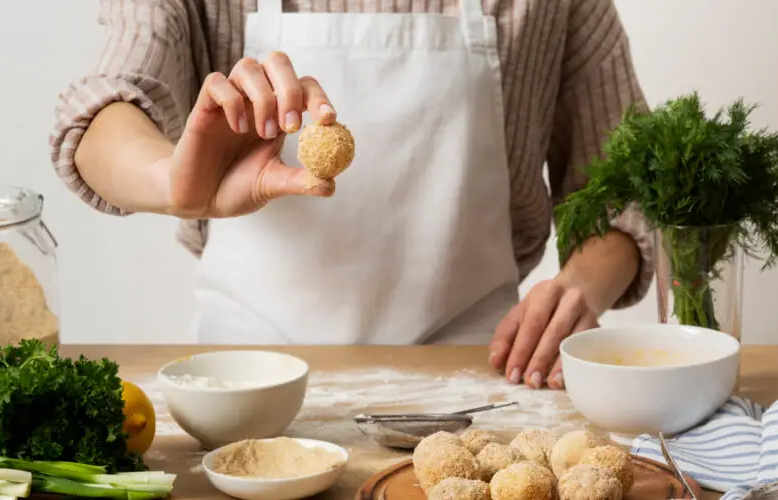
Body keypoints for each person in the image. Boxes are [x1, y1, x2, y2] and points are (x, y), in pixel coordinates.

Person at [50, 0, 653, 390]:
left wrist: (585, 283)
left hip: (479, 381)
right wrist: (175, 184)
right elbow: (101, 111)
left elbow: (630, 191)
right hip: (245, 386)